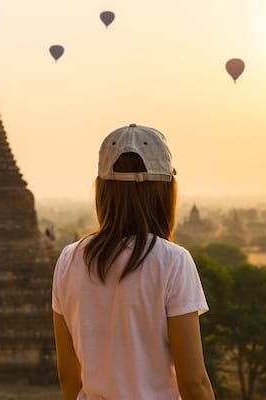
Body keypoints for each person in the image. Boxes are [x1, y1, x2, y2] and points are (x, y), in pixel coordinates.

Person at [52, 124, 215, 400]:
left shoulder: (69, 259)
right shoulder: (173, 261)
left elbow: (69, 378)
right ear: (166, 192)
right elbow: (194, 383)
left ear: (102, 191)